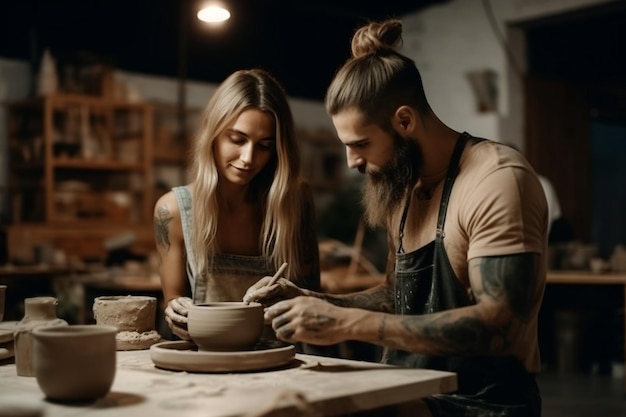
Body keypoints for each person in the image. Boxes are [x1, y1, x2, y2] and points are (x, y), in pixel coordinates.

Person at [244, 20, 547, 416]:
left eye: (361, 144)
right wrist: (313, 301)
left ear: (405, 121)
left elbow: (500, 328)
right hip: (410, 385)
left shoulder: (496, 179)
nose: (353, 161)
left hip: (481, 402)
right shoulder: (403, 185)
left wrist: (344, 324)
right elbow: (396, 297)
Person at [153, 68, 321, 341]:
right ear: (214, 133)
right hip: (210, 358)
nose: (248, 158)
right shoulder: (171, 210)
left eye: (265, 145)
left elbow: (313, 299)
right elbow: (172, 302)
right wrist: (175, 312)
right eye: (237, 139)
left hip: (281, 361)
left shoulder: (295, 200)